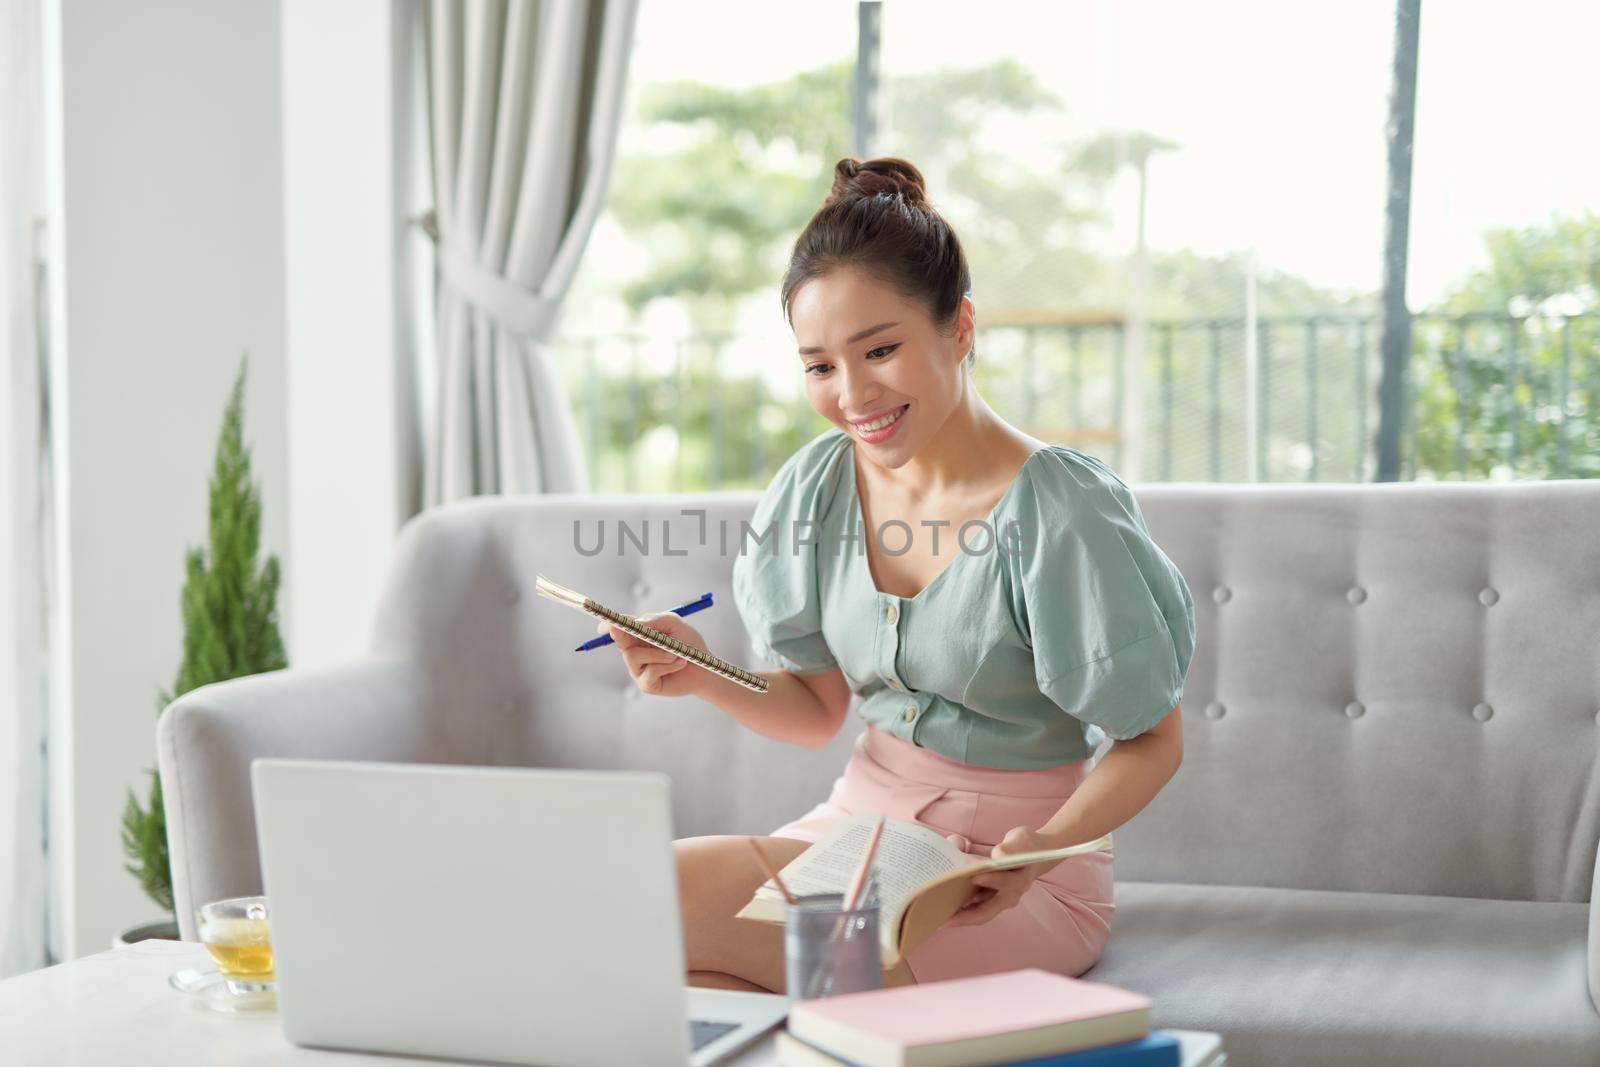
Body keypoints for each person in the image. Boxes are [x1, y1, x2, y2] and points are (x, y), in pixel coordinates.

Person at [596, 156, 1196, 995]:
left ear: (960, 328)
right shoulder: (816, 485)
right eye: (819, 366)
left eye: (880, 349)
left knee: (712, 930)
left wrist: (1045, 843)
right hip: (863, 833)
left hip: (1008, 876)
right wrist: (701, 669)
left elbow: (1153, 740)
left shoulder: (1062, 510)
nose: (852, 394)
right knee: (674, 964)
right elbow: (816, 712)